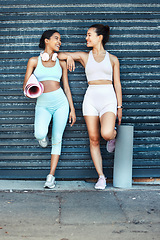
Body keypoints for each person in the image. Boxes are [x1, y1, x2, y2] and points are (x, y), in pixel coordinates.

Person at [58, 24, 122, 190]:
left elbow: (117, 84)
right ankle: (101, 176)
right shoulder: (84, 56)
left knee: (106, 133)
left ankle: (113, 136)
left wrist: (119, 107)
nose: (86, 38)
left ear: (99, 37)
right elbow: (58, 55)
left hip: (108, 97)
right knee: (93, 139)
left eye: (89, 35)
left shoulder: (113, 59)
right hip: (91, 98)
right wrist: (70, 57)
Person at [23, 30, 76, 188]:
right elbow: (26, 87)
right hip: (43, 104)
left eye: (60, 40)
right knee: (39, 133)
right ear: (46, 40)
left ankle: (50, 176)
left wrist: (72, 109)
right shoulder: (34, 61)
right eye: (56, 38)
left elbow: (66, 87)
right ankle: (43, 137)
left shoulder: (61, 62)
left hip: (61, 103)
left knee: (57, 139)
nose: (59, 42)